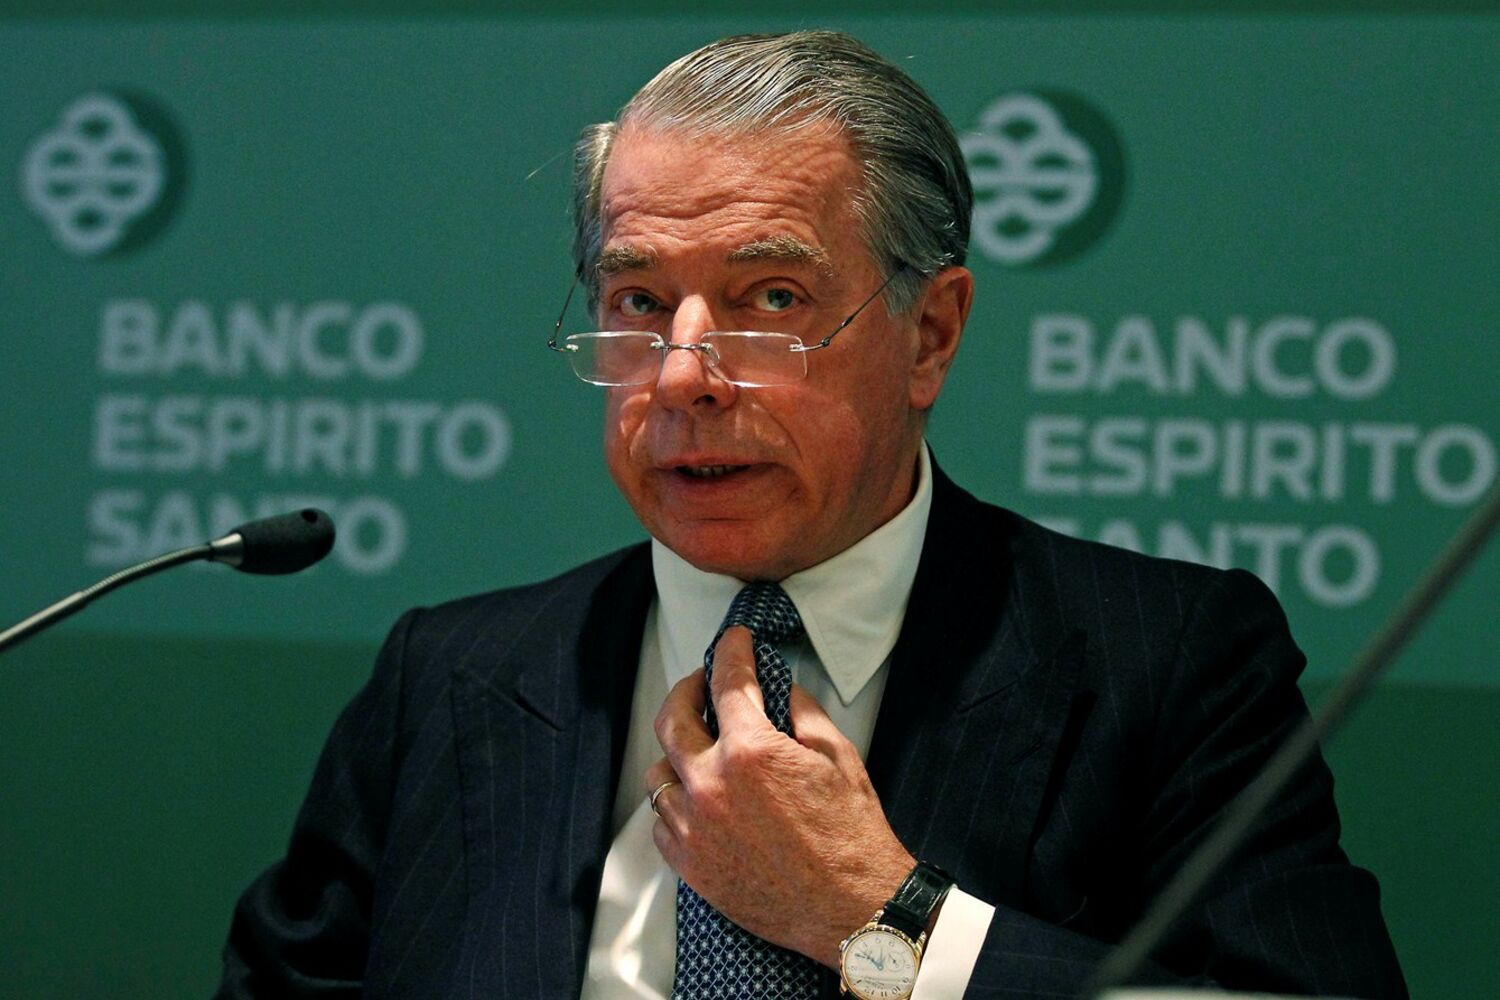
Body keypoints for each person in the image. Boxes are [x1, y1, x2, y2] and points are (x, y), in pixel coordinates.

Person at [217, 31, 1406, 1000]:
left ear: (930, 333)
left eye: (770, 298)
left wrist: (879, 916)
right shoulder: (451, 678)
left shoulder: (1168, 664)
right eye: (639, 301)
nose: (682, 375)